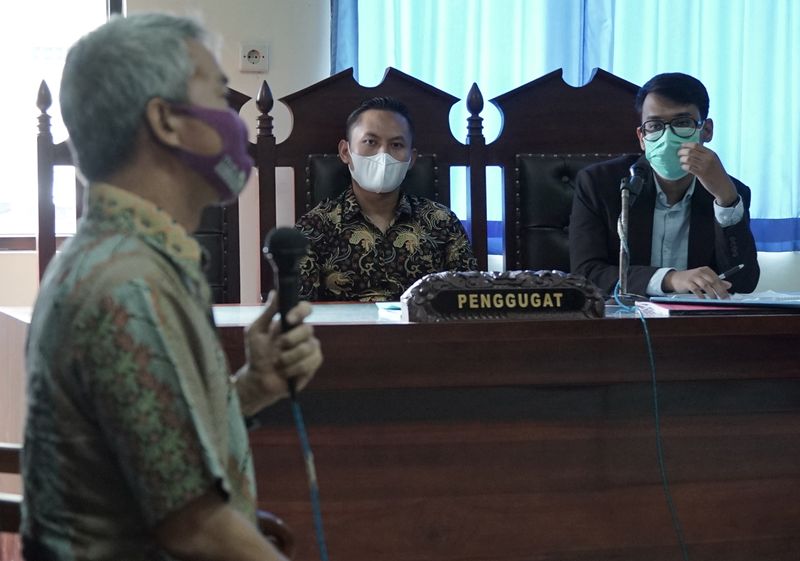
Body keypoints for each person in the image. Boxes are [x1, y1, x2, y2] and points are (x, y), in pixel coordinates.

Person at [21, 14, 322, 561]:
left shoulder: (135, 257)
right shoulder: (127, 285)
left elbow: (155, 458)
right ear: (165, 120)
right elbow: (196, 526)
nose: (234, 119)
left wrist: (253, 386)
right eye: (214, 91)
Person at [569, 72, 760, 298]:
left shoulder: (730, 192)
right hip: (620, 322)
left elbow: (743, 282)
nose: (667, 137)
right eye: (655, 125)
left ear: (706, 130)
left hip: (695, 327)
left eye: (682, 123)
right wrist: (670, 279)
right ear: (642, 137)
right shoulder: (600, 184)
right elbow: (586, 274)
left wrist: (726, 201)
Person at [295, 96, 477, 301]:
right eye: (370, 142)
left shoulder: (443, 223)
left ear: (411, 159)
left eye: (397, 145)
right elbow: (298, 316)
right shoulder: (313, 229)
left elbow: (467, 303)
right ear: (346, 152)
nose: (383, 155)